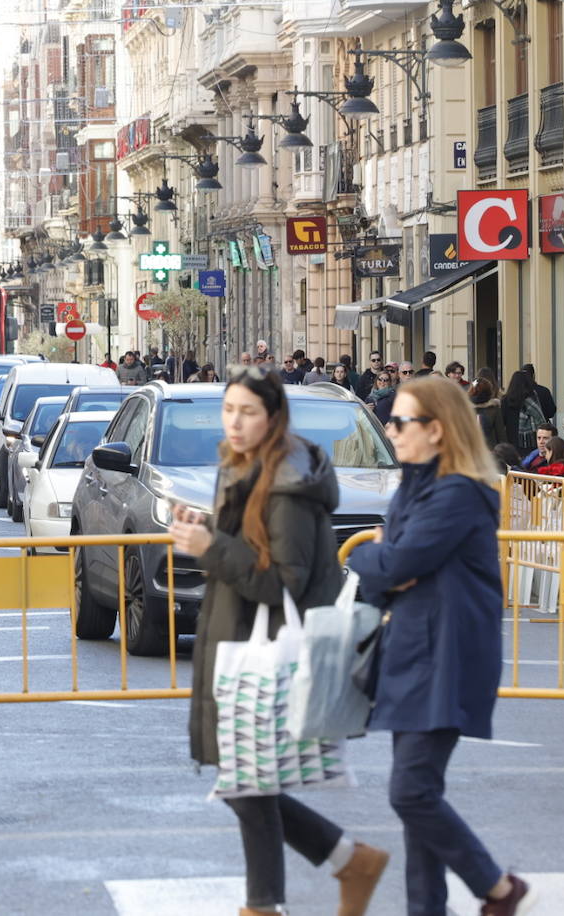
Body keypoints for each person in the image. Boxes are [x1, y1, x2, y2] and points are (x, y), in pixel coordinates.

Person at [168, 367, 389, 916]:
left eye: (248, 412)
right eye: (229, 410)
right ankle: (344, 864)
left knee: (245, 784)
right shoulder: (242, 467)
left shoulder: (287, 484)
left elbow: (281, 580)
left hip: (266, 648)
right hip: (240, 642)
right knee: (248, 783)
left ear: (273, 418)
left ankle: (276, 899)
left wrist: (209, 544)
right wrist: (208, 530)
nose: (235, 422)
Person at [347, 375, 533, 916]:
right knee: (417, 796)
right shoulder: (415, 486)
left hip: (446, 656)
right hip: (412, 651)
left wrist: (371, 558)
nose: (390, 430)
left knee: (411, 793)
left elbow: (396, 562)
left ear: (437, 430)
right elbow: (391, 569)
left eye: (401, 422)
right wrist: (382, 561)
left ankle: (497, 887)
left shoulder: (457, 493)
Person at [500, 371, 545, 453]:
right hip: (531, 443)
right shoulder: (533, 400)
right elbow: (541, 420)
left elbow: (502, 423)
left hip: (511, 442)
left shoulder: (506, 400)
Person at [469, 378, 506, 449]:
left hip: (469, 449)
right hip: (490, 449)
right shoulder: (494, 409)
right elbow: (500, 434)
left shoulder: (464, 408)